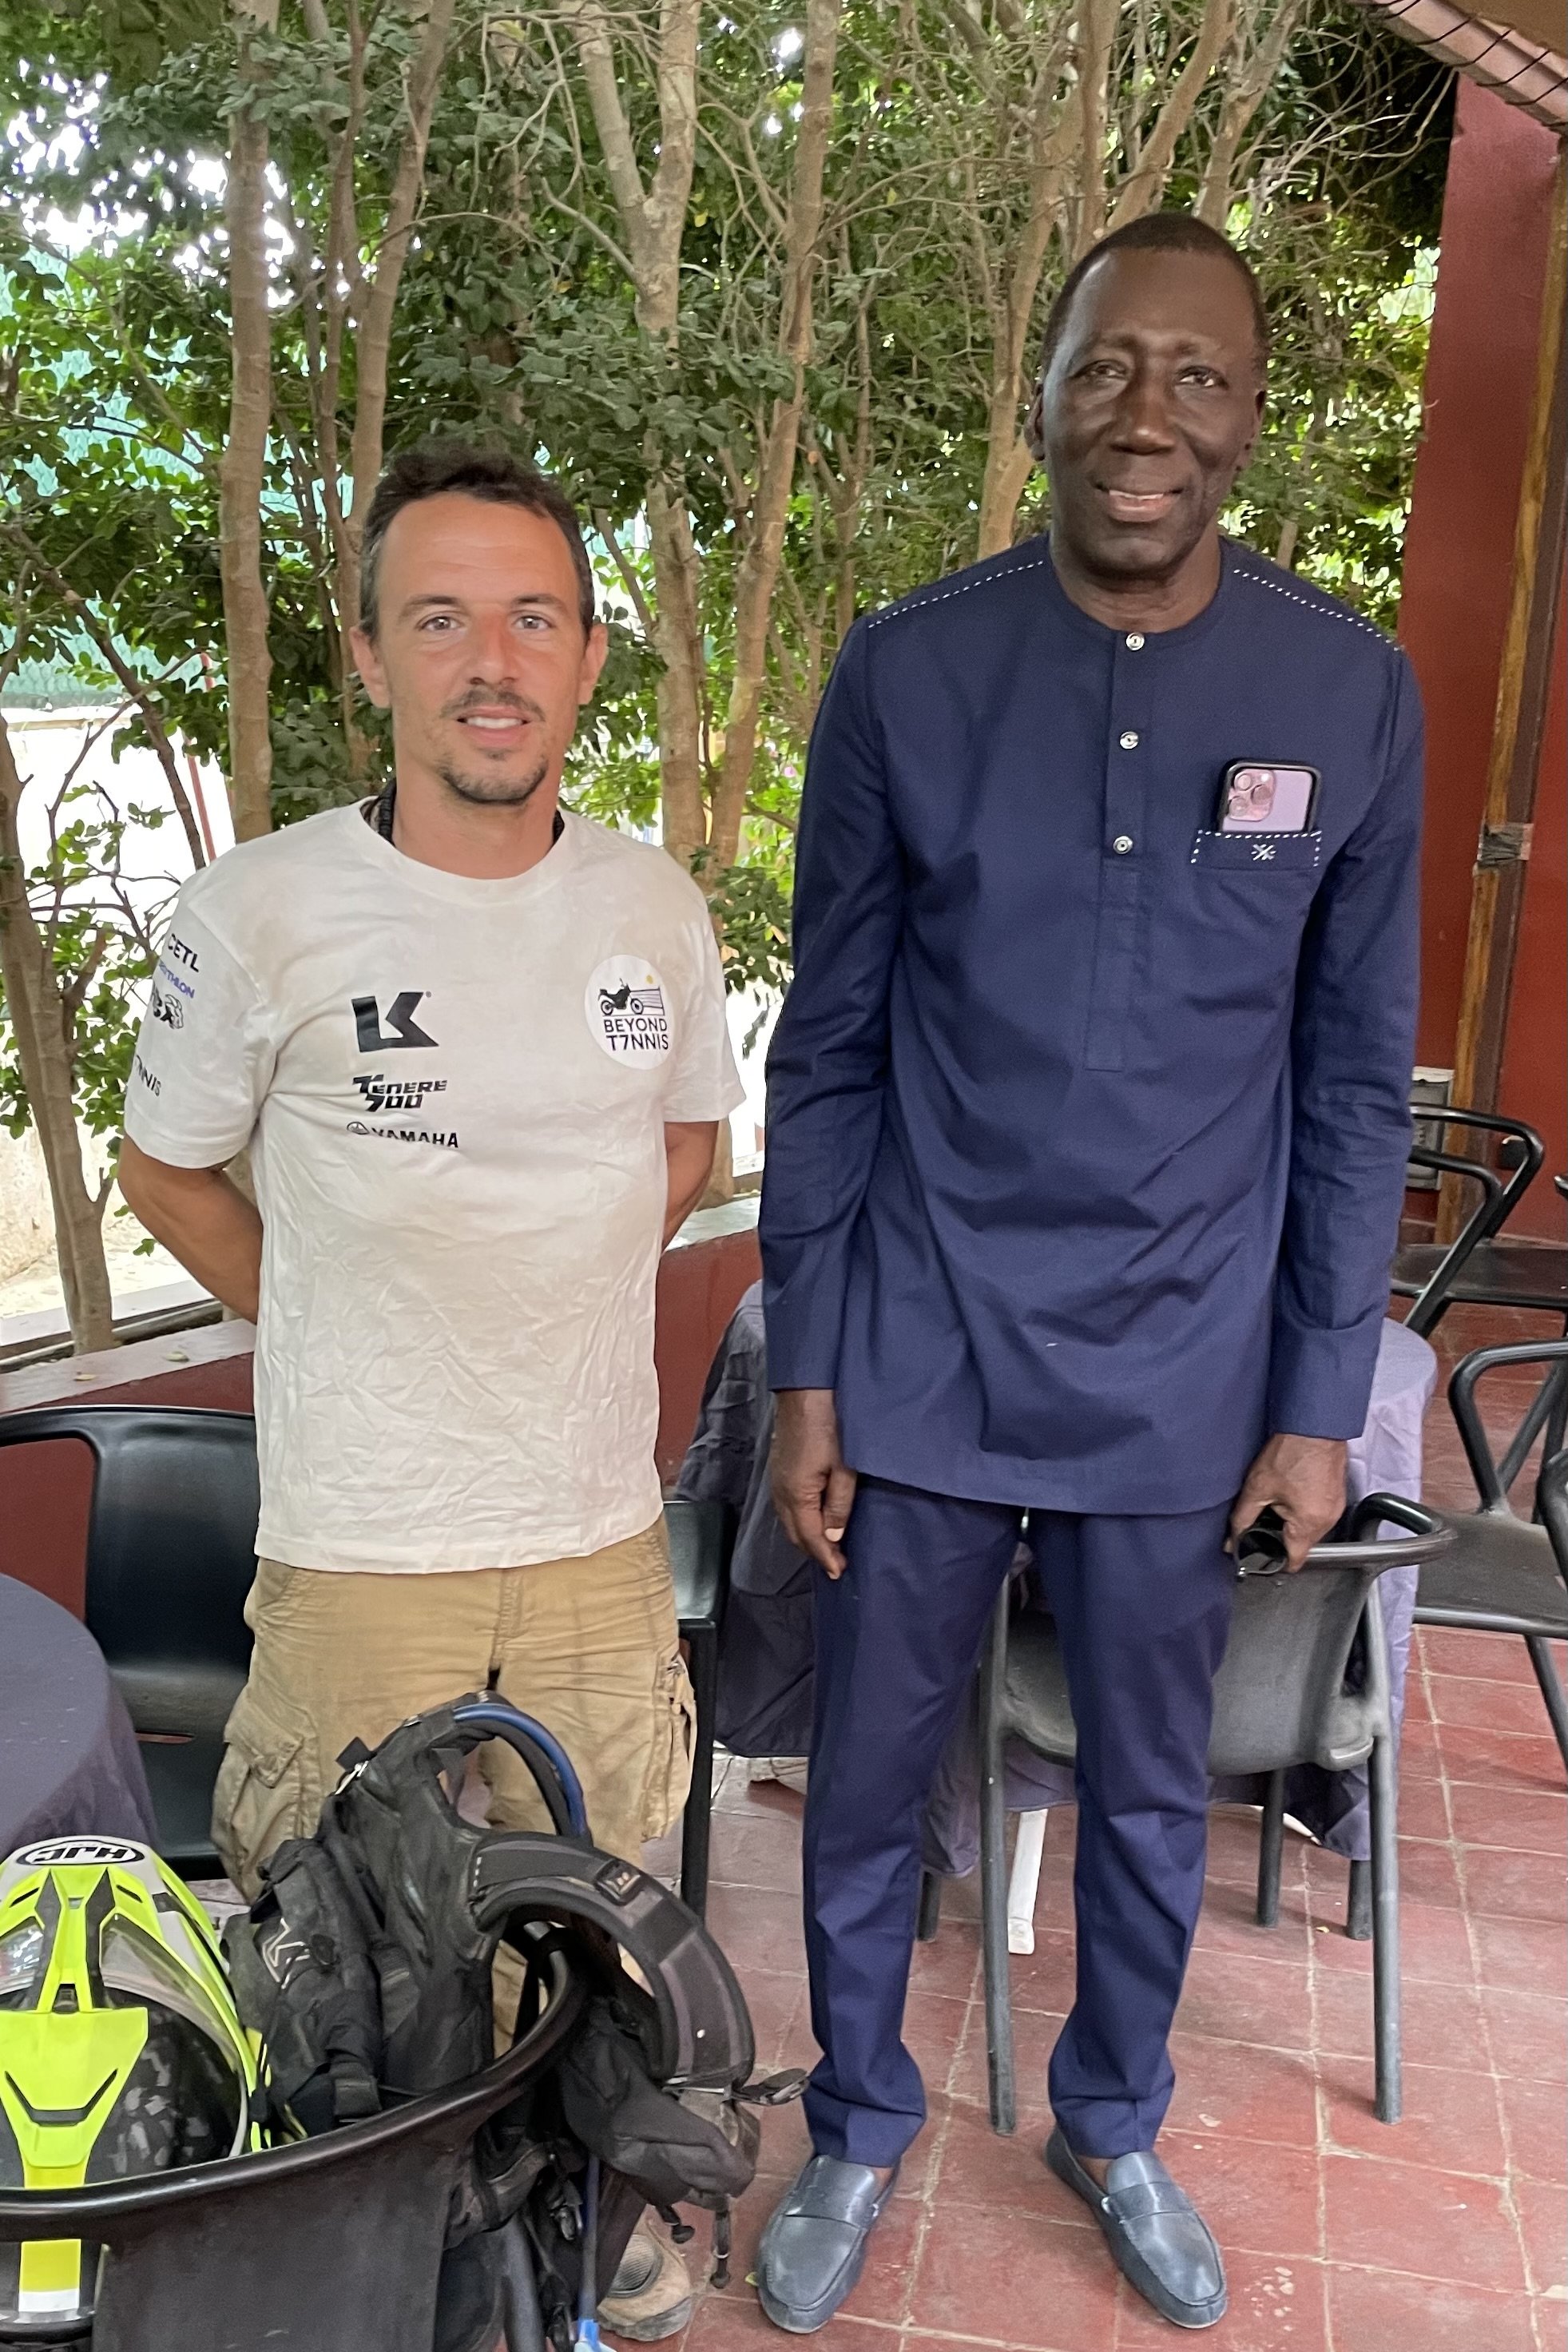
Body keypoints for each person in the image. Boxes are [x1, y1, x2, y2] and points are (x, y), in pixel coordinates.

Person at [755, 214, 1422, 2334]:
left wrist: (1317, 1400)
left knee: (1151, 1795)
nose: (1147, 418)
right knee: (868, 1783)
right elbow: (831, 1046)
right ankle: (858, 2119)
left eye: (1197, 377)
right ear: (1040, 394)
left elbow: (1345, 1084)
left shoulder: (1347, 695)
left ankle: (1108, 2118)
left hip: (1186, 1374)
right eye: (1106, 368)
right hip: (930, 1346)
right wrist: (809, 1369)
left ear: (1248, 421)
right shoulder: (906, 671)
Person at [119, 439, 743, 2342]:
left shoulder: (652, 910)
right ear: (372, 656)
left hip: (589, 1538)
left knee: (593, 1911)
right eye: (444, 616)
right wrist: (333, 1313)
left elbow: (693, 1147)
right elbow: (166, 1165)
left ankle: (593, 2206)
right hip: (362, 1545)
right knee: (350, 1938)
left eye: (534, 617)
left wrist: (528, 1310)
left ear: (584, 658)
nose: (494, 658)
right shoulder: (266, 910)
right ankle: (378, 2262)